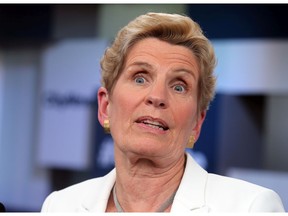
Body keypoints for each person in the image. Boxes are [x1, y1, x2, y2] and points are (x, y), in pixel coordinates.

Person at [41, 12, 285, 212]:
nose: (157, 97)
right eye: (140, 78)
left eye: (179, 86)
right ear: (106, 107)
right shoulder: (60, 206)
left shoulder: (251, 207)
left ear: (197, 123)